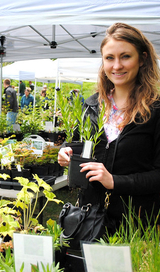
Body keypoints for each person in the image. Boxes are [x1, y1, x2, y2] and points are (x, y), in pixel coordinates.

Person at [58, 23, 160, 234]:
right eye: (109, 58)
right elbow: (78, 144)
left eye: (125, 56)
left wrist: (114, 181)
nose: (117, 66)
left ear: (142, 59)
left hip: (137, 223)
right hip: (89, 219)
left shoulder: (155, 110)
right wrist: (66, 151)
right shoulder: (92, 105)